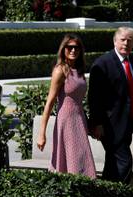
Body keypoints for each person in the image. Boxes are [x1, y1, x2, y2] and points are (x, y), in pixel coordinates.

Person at [88, 26, 133, 183]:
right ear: (115, 41)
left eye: (130, 40)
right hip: (110, 125)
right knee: (125, 162)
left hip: (128, 123)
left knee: (113, 165)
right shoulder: (102, 64)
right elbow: (94, 98)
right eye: (123, 40)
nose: (126, 43)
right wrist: (97, 123)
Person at [37, 33, 96, 179]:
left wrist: (89, 124)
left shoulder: (80, 71)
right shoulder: (60, 70)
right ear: (63, 49)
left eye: (76, 47)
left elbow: (79, 101)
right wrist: (41, 133)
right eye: (69, 47)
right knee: (71, 162)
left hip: (79, 121)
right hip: (66, 122)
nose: (73, 50)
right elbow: (50, 102)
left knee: (83, 160)